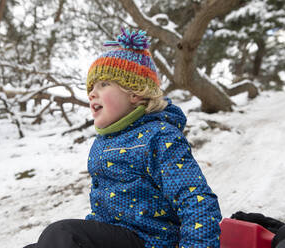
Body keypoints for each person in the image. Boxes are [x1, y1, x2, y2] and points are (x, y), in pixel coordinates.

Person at [24, 28, 222, 248]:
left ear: (134, 92)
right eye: (90, 87)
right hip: (115, 235)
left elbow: (196, 200)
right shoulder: (106, 141)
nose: (91, 93)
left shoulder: (159, 137)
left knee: (62, 234)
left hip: (150, 241)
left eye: (103, 84)